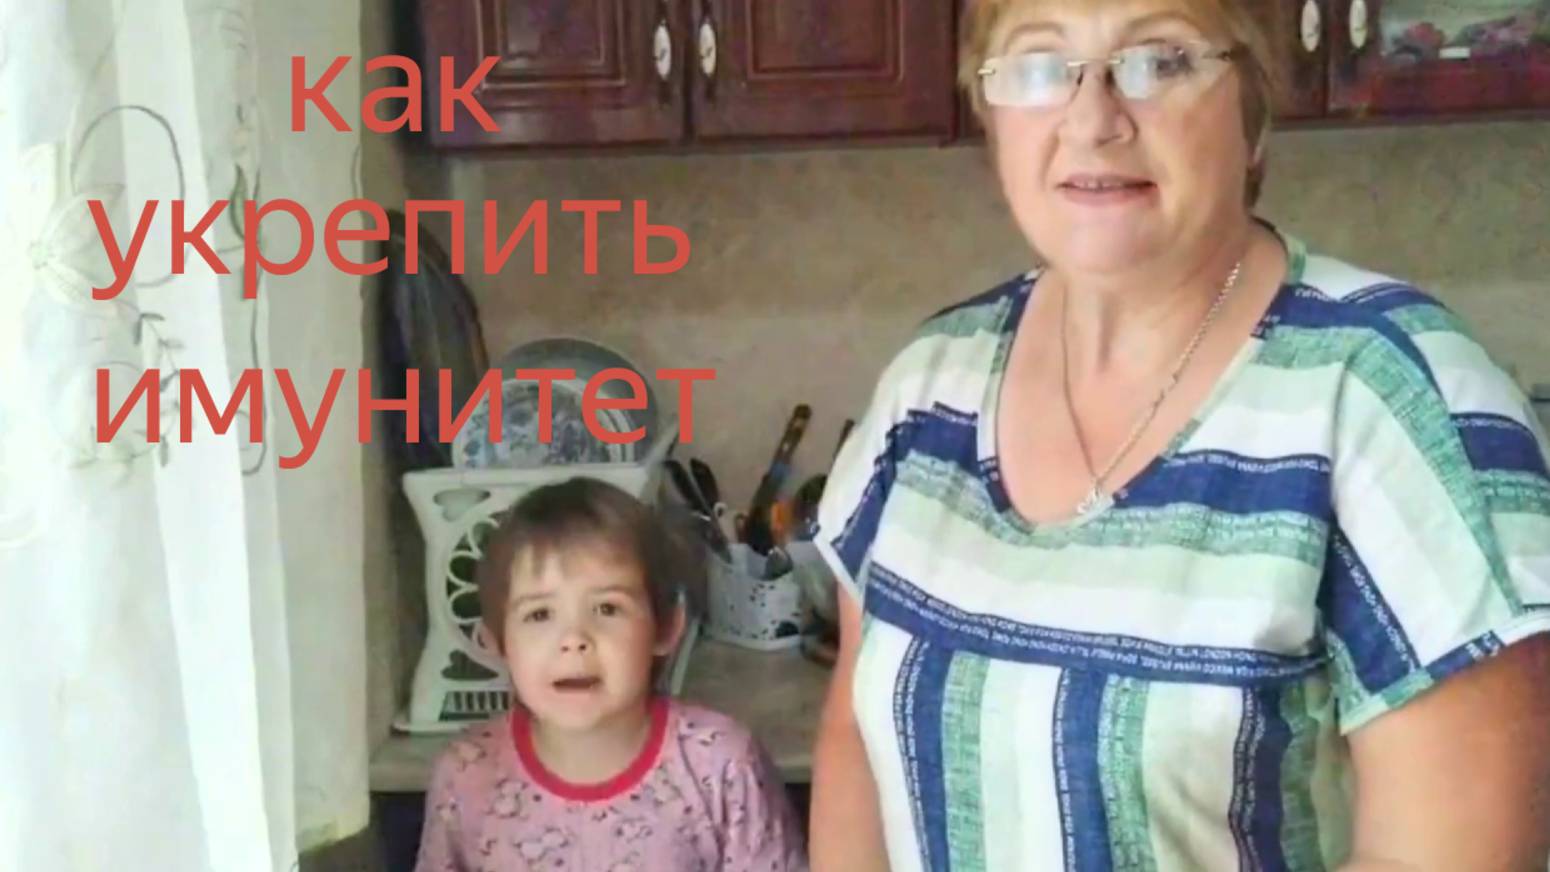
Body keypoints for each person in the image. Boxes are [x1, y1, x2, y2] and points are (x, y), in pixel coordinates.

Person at [806, 0, 1550, 869]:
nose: (1092, 120)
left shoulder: (1393, 394)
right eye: (1040, 64)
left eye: (1160, 60)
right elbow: (853, 742)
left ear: (1253, 111)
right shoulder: (928, 387)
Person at [415, 477, 808, 872]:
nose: (574, 639)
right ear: (498, 643)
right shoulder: (465, 776)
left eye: (607, 609)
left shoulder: (722, 765)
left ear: (666, 628)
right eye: (539, 614)